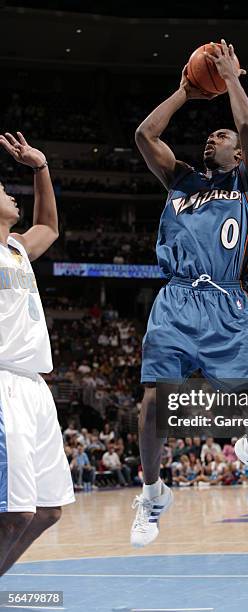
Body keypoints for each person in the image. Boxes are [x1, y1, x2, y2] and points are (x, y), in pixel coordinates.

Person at [131, 39, 248, 548]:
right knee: (152, 404)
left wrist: (232, 78)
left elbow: (247, 126)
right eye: (210, 132)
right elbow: (145, 134)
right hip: (176, 300)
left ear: (237, 154)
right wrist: (184, 92)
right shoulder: (181, 180)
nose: (212, 136)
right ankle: (153, 493)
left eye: (220, 135)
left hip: (229, 304)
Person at [0, 132, 75, 576]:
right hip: (3, 381)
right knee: (14, 514)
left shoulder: (17, 247)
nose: (10, 194)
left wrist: (41, 167)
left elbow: (48, 226)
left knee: (48, 510)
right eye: (2, 192)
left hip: (34, 386)